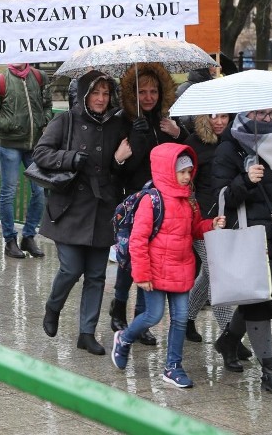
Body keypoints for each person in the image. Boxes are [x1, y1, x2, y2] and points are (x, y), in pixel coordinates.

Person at [111, 144, 225, 387]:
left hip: (181, 269)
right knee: (153, 315)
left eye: (189, 172)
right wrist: (141, 274)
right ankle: (124, 338)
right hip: (154, 270)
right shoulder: (152, 200)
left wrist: (209, 225)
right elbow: (138, 239)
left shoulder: (189, 201)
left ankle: (173, 366)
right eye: (182, 171)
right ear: (166, 170)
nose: (187, 176)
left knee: (181, 318)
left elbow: (193, 231)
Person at [35, 71, 130, 355]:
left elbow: (120, 169)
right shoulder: (66, 120)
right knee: (71, 268)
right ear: (85, 94)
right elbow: (41, 153)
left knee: (97, 275)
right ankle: (53, 307)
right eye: (95, 93)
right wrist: (71, 158)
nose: (101, 99)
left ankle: (86, 333)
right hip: (69, 207)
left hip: (102, 209)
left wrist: (118, 160)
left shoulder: (117, 124)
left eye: (105, 93)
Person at [210, 108, 272, 396]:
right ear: (245, 114)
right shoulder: (230, 147)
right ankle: (270, 371)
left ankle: (228, 340)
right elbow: (219, 198)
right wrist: (246, 181)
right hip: (248, 236)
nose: (266, 118)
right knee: (259, 299)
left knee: (269, 290)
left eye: (270, 113)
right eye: (259, 114)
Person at [109, 63, 188, 345]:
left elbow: (184, 158)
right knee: (131, 258)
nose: (149, 97)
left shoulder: (166, 121)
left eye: (154, 91)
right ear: (133, 94)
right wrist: (136, 142)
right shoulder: (124, 122)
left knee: (151, 262)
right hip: (136, 199)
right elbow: (120, 168)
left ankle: (141, 320)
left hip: (164, 201)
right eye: (142, 92)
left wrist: (179, 134)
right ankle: (118, 305)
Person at [184, 113, 250, 360]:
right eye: (213, 116)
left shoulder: (238, 143)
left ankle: (186, 320)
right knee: (218, 276)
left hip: (228, 217)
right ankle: (228, 336)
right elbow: (185, 183)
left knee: (208, 275)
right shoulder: (194, 143)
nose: (219, 121)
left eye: (224, 116)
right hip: (202, 219)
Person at [0, 63, 52, 259]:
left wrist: (43, 120)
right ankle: (10, 240)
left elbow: (47, 105)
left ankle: (29, 236)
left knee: (39, 191)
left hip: (35, 145)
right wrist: (13, 125)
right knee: (9, 191)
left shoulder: (39, 77)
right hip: (10, 145)